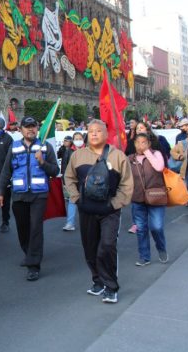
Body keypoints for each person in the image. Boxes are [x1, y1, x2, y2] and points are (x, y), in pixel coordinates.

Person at [64, 119, 133, 304]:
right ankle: (98, 281)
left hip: (109, 211)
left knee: (107, 246)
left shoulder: (118, 156)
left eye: (98, 131)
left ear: (106, 134)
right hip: (86, 210)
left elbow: (127, 184)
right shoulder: (77, 156)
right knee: (90, 248)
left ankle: (111, 287)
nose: (94, 134)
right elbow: (68, 178)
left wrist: (115, 204)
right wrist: (76, 198)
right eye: (91, 131)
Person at [0, 116, 59, 281]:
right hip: (19, 195)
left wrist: (43, 162)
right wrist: (0, 192)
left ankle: (33, 265)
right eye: (27, 127)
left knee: (36, 229)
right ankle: (29, 252)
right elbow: (6, 171)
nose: (30, 129)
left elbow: (55, 171)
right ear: (21, 129)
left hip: (39, 195)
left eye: (33, 126)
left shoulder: (45, 147)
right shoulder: (14, 147)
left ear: (37, 128)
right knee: (23, 229)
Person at [128, 133, 168, 266]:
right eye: (138, 142)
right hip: (137, 199)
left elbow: (159, 167)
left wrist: (147, 152)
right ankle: (144, 257)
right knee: (141, 229)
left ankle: (161, 248)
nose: (141, 145)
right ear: (134, 144)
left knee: (157, 227)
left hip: (156, 197)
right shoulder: (130, 159)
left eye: (144, 142)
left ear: (149, 143)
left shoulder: (156, 154)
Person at [60, 132, 85, 231]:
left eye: (80, 138)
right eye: (76, 139)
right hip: (73, 181)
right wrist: (65, 181)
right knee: (72, 201)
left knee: (86, 202)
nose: (78, 140)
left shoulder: (88, 150)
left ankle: (87, 224)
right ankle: (70, 223)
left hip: (85, 181)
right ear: (73, 140)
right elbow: (64, 167)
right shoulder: (68, 151)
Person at [171, 126, 188, 193]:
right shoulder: (182, 143)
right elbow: (172, 151)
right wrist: (179, 156)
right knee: (187, 185)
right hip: (186, 168)